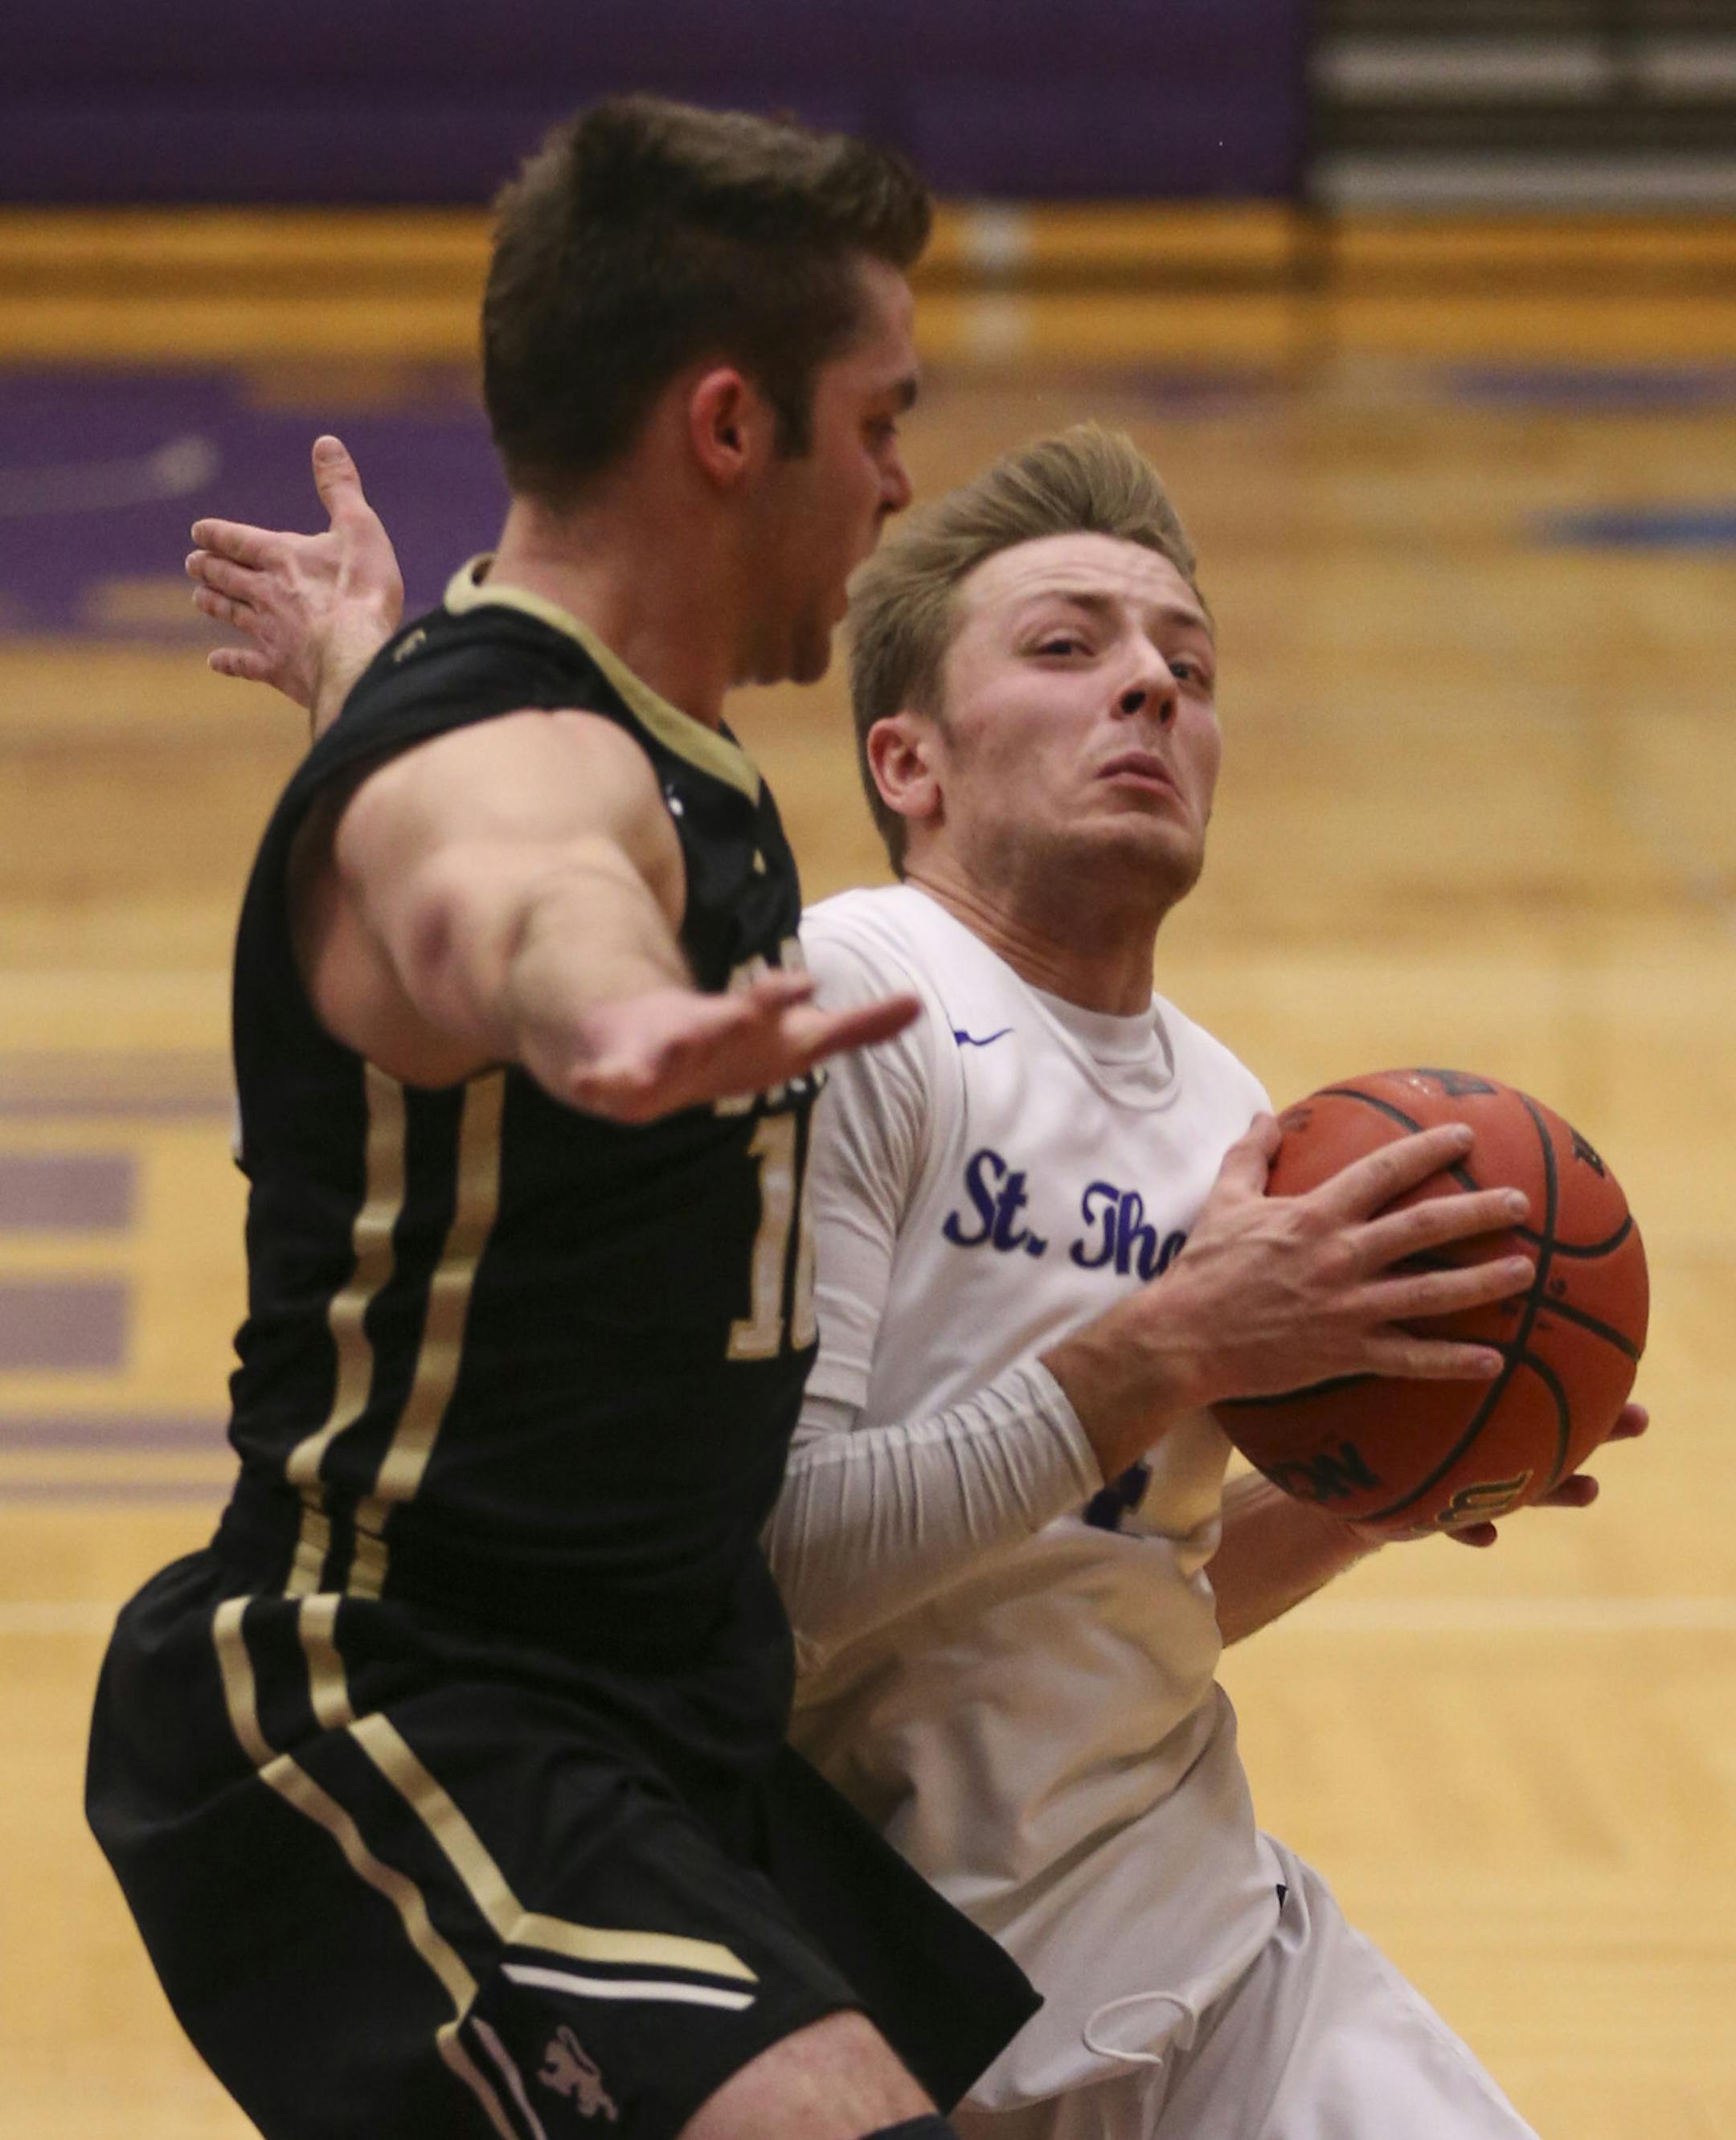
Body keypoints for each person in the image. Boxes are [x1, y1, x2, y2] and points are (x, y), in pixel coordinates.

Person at [190, 419, 1645, 2138]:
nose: (1151, 691)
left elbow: (1104, 1603)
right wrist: (1177, 1344)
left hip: (1222, 1958)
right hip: (896, 2000)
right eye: (1066, 648)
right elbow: (767, 1580)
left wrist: (1361, 1503)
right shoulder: (852, 1015)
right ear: (909, 762)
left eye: (1189, 662)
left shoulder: (1245, 1119)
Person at [88, 96, 1046, 2140]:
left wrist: (369, 675)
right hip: (391, 1698)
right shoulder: (524, 767)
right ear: (726, 424)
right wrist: (603, 1008)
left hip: (657, 1717)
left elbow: (461, 793)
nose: (897, 483)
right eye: (875, 421)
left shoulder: (552, 710)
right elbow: (506, 882)